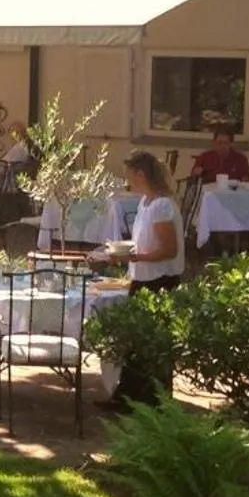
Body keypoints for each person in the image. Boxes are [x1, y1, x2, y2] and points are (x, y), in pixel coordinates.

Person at [97, 150, 184, 409]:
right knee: (135, 342)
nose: (128, 182)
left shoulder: (162, 205)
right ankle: (128, 398)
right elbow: (143, 242)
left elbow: (169, 250)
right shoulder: (145, 203)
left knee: (153, 343)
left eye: (130, 176)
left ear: (141, 174)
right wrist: (122, 255)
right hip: (143, 278)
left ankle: (155, 400)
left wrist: (135, 259)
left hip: (160, 280)